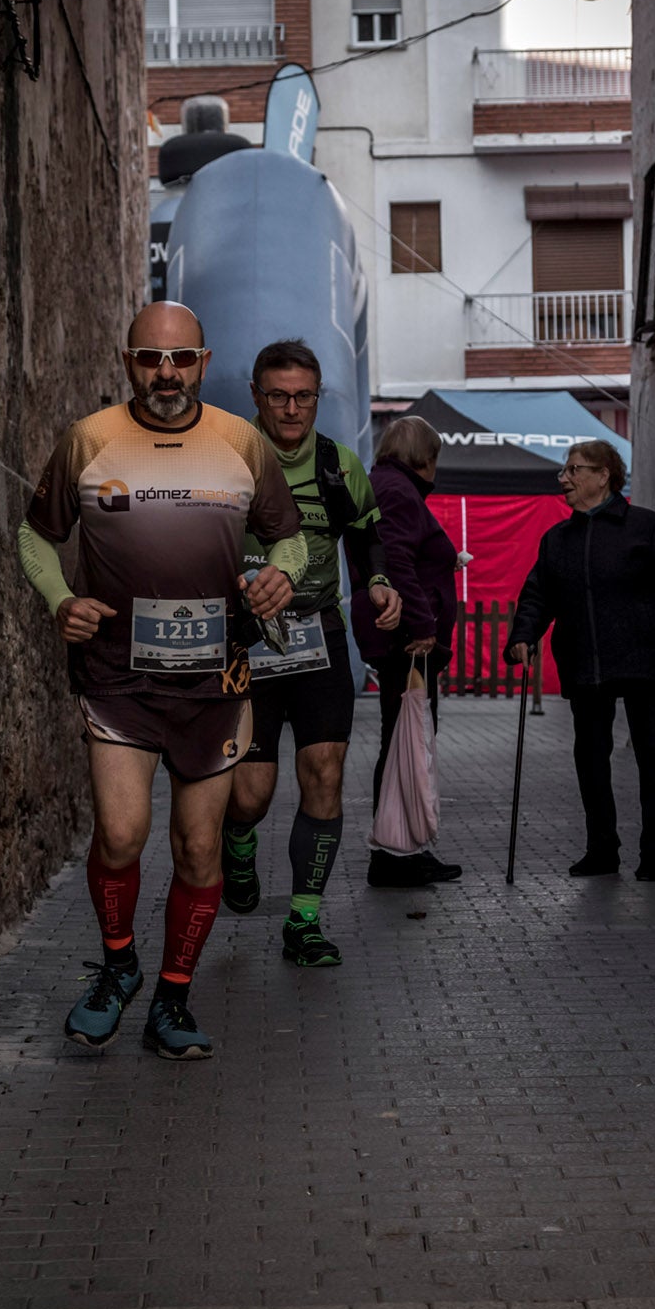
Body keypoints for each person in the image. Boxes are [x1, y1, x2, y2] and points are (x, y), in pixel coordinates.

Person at [17, 301, 305, 1060]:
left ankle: (173, 999)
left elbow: (292, 540)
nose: (166, 373)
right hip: (115, 677)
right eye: (150, 359)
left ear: (204, 363)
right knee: (119, 833)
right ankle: (118, 968)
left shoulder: (243, 442)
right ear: (128, 361)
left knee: (199, 847)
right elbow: (35, 535)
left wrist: (279, 574)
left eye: (180, 360)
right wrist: (60, 599)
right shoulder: (89, 438)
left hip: (215, 680)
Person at [218, 339, 404, 965]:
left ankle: (303, 921)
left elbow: (368, 535)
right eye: (278, 396)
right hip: (247, 641)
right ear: (256, 397)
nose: (292, 409)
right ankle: (237, 841)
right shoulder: (227, 457)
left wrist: (378, 581)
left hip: (319, 635)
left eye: (304, 397)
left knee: (324, 775)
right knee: (251, 793)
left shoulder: (338, 464)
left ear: (318, 397)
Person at [504, 440, 655, 881]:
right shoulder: (557, 540)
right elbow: (538, 594)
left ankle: (654, 852)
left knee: (653, 759)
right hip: (585, 664)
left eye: (574, 470)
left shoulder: (647, 528)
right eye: (565, 470)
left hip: (642, 660)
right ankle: (602, 850)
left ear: (604, 476)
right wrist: (524, 635)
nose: (564, 479)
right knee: (590, 760)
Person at [351, 415, 463, 888]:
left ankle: (405, 847)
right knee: (405, 742)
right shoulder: (398, 492)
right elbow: (395, 561)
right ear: (425, 457)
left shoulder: (385, 486)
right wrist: (423, 625)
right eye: (435, 458)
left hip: (400, 637)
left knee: (405, 741)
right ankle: (397, 854)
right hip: (406, 640)